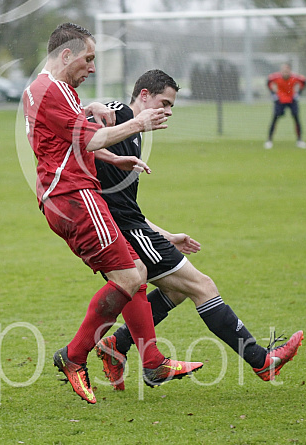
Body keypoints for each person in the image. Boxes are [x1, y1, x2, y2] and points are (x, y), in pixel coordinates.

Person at [23, 23, 202, 404]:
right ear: (66, 54)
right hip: (73, 195)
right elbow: (87, 137)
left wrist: (112, 156)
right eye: (88, 59)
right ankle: (74, 355)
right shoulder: (50, 91)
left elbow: (73, 137)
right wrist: (138, 123)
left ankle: (151, 360)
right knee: (131, 273)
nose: (91, 67)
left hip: (69, 194)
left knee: (132, 270)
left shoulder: (52, 89)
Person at [93, 69, 304, 390]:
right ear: (145, 95)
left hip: (128, 227)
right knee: (202, 286)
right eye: (164, 102)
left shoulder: (132, 135)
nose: (168, 111)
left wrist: (166, 235)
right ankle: (263, 361)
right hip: (122, 232)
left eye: (172, 105)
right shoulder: (121, 113)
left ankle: (117, 345)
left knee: (177, 289)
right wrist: (93, 104)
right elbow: (80, 123)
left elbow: (126, 206)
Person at [265, 62, 306, 149]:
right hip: (280, 100)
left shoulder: (295, 77)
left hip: (291, 99)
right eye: (283, 71)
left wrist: (299, 93)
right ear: (281, 71)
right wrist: (273, 94)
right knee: (275, 118)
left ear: (290, 71)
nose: (285, 73)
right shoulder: (276, 77)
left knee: (296, 118)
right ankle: (269, 140)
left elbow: (304, 81)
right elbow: (268, 82)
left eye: (287, 71)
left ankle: (299, 140)